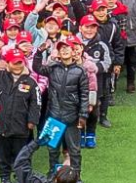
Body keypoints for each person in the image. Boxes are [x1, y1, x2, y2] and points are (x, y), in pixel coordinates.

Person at [0, 49, 41, 183]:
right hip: (0, 126)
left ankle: (21, 178)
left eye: (20, 62)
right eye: (14, 63)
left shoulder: (31, 82)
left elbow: (36, 103)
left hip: (21, 128)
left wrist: (32, 121)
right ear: (7, 63)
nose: (18, 66)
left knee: (21, 156)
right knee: (2, 157)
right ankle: (4, 178)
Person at [42, 37, 89, 181]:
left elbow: (84, 94)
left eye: (67, 47)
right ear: (58, 52)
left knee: (74, 150)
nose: (64, 50)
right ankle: (52, 172)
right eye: (61, 48)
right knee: (52, 149)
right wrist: (39, 51)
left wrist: (83, 115)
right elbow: (37, 68)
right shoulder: (52, 68)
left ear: (74, 51)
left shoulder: (80, 71)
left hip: (72, 117)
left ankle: (77, 176)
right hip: (54, 115)